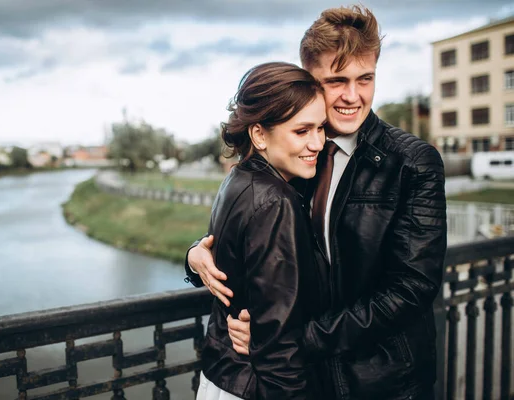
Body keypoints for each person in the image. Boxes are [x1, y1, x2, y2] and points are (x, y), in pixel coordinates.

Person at [185, 5, 447, 400]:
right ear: (310, 79)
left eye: (366, 79)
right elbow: (250, 228)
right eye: (337, 80)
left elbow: (412, 288)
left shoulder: (413, 162)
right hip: (309, 378)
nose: (352, 96)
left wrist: (292, 339)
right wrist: (195, 256)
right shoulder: (298, 153)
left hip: (382, 381)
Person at [194, 61, 329, 400]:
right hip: (255, 386)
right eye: (302, 131)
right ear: (259, 134)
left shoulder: (237, 178)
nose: (317, 143)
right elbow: (279, 345)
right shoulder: (276, 200)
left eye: (321, 128)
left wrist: (193, 254)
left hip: (222, 377)